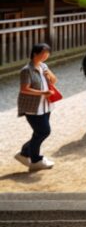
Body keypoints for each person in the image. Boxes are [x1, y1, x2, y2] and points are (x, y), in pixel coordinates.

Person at [15, 43, 57, 171]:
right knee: (44, 131)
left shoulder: (44, 66)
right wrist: (43, 93)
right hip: (32, 107)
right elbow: (24, 89)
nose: (46, 56)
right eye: (43, 53)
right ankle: (35, 160)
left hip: (45, 105)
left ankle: (24, 153)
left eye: (47, 53)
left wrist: (48, 74)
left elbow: (54, 81)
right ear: (35, 53)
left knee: (39, 132)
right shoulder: (26, 70)